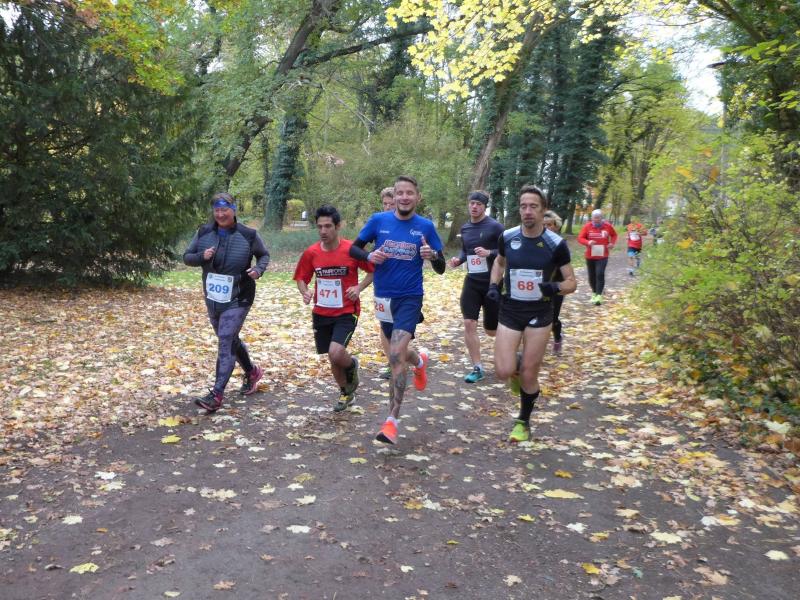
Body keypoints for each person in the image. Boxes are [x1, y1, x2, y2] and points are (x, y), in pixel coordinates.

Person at [350, 175, 446, 444]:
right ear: (395, 196)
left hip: (410, 298)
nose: (404, 197)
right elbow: (354, 249)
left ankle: (391, 421)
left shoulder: (425, 227)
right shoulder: (378, 221)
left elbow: (441, 267)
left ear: (418, 197)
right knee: (398, 352)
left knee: (394, 354)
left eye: (409, 193)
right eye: (400, 192)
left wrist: (433, 256)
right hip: (383, 298)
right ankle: (420, 361)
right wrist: (369, 255)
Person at [488, 185, 577, 442]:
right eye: (523, 206)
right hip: (511, 309)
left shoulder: (555, 244)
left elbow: (571, 282)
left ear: (543, 210)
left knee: (529, 374)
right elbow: (499, 263)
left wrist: (555, 287)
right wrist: (494, 285)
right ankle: (518, 365)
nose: (527, 211)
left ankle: (523, 422)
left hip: (540, 313)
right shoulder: (508, 237)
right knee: (503, 371)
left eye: (533, 206)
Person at [183, 192, 270, 413]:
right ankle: (252, 372)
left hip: (240, 296)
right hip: (213, 299)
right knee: (229, 340)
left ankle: (216, 394)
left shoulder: (248, 234)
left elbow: (263, 255)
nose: (221, 214)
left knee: (225, 339)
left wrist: (258, 270)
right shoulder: (204, 233)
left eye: (225, 209)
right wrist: (202, 256)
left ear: (234, 210)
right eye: (217, 210)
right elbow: (187, 257)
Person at [293, 205, 374, 412]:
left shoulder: (351, 249)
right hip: (321, 312)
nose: (323, 231)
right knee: (332, 357)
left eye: (328, 226)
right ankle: (346, 392)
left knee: (336, 352)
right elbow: (301, 277)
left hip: (347, 311)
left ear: (338, 226)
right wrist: (305, 292)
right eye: (320, 226)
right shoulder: (311, 252)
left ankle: (352, 365)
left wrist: (359, 287)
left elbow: (373, 270)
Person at [448, 191, 505, 382]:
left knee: (492, 330)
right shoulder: (465, 228)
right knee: (469, 323)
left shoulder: (495, 227)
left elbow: (506, 251)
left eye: (478, 204)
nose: (474, 207)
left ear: (484, 207)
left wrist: (489, 253)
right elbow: (466, 251)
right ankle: (477, 367)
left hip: (492, 283)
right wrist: (458, 260)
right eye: (472, 203)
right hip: (472, 282)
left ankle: (511, 353)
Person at [577, 208, 617, 305]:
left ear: (601, 218)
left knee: (600, 273)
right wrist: (588, 242)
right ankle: (594, 292)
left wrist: (611, 243)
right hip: (590, 255)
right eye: (594, 218)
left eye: (598, 217)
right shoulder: (587, 226)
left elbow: (614, 235)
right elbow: (580, 238)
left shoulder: (607, 226)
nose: (596, 220)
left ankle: (599, 296)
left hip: (603, 255)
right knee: (592, 276)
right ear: (592, 218)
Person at [377, 187, 396, 379]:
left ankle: (402, 360)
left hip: (406, 286)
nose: (388, 208)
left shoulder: (410, 224)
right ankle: (392, 362)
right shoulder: (378, 223)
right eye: (385, 204)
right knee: (384, 325)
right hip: (382, 283)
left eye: (392, 204)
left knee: (402, 327)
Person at [543, 210, 566, 353]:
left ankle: (557, 337)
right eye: (543, 225)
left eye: (549, 225)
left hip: (556, 285)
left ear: (556, 226)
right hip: (537, 286)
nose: (546, 228)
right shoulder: (534, 241)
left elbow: (565, 270)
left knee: (553, 318)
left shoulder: (560, 244)